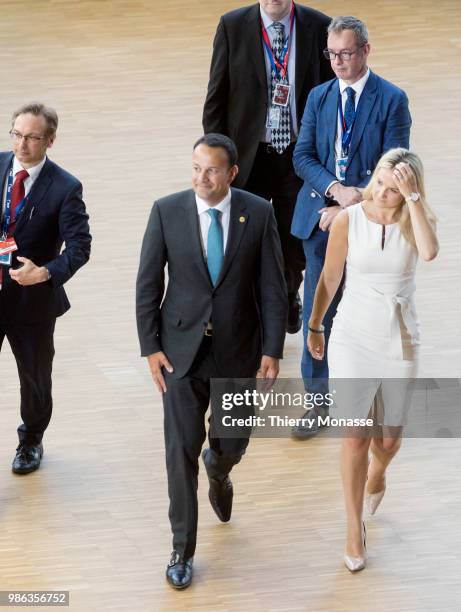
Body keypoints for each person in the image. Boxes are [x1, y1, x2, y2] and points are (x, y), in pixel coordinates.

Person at [136, 133, 287, 589]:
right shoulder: (167, 210)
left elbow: (272, 288)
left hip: (238, 352)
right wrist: (150, 346)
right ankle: (181, 549)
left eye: (213, 170)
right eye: (197, 168)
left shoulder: (258, 212)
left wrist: (272, 349)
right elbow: (147, 284)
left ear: (232, 173)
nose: (202, 178)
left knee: (232, 443)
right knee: (178, 453)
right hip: (179, 355)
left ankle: (219, 468)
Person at [307, 148, 438, 571]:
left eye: (393, 188)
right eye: (379, 183)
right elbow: (330, 276)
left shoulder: (414, 220)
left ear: (408, 190)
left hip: (399, 339)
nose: (382, 193)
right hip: (352, 337)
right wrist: (315, 324)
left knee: (389, 441)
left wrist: (414, 200)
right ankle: (353, 526)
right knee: (354, 437)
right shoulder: (349, 219)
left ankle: (378, 474)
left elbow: (430, 252)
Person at [291, 15, 412, 438]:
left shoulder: (392, 99)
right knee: (317, 306)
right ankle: (318, 400)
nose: (337, 62)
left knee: (366, 310)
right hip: (320, 215)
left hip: (369, 219)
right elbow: (302, 156)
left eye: (345, 53)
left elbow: (395, 164)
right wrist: (335, 190)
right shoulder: (320, 97)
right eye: (331, 54)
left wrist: (353, 201)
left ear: (365, 51)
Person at [203, 0, 333, 334]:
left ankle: (288, 292)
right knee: (248, 239)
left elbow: (333, 95)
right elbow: (216, 98)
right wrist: (218, 160)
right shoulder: (232, 25)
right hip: (249, 157)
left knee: (294, 238)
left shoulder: (318, 26)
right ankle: (258, 307)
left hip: (300, 153)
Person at [0, 102, 91, 475]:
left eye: (33, 137)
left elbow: (80, 247)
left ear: (50, 140)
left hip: (31, 302)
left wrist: (46, 273)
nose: (22, 144)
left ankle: (31, 441)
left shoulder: (66, 187)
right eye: (17, 135)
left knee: (35, 379)